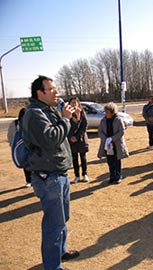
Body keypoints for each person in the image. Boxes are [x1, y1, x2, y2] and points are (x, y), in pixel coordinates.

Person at [22, 75, 80, 270]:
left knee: (63, 219)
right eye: (52, 89)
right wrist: (64, 118)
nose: (57, 92)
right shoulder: (35, 113)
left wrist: (73, 119)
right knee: (53, 224)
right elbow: (50, 138)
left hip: (59, 173)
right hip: (48, 177)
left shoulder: (49, 110)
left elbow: (64, 134)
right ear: (41, 92)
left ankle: (61, 251)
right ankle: (52, 266)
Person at [98, 102, 129, 184]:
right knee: (109, 161)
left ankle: (118, 176)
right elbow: (100, 131)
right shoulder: (103, 120)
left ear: (112, 112)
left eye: (107, 112)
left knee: (116, 161)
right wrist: (105, 139)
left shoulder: (118, 120)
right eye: (105, 112)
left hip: (116, 144)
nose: (106, 113)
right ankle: (112, 176)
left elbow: (121, 131)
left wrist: (112, 138)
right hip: (107, 144)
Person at [8, 107, 32, 187]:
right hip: (21, 148)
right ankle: (29, 180)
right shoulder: (15, 124)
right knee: (25, 165)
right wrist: (13, 145)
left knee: (33, 164)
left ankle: (33, 180)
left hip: (31, 147)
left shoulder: (31, 123)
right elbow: (11, 135)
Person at [67, 97, 89, 183]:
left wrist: (77, 137)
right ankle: (76, 176)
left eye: (75, 103)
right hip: (71, 141)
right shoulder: (67, 114)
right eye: (72, 103)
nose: (73, 104)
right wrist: (70, 137)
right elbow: (66, 126)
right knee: (74, 158)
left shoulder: (82, 112)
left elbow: (85, 125)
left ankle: (84, 174)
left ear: (78, 103)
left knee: (83, 157)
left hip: (81, 139)